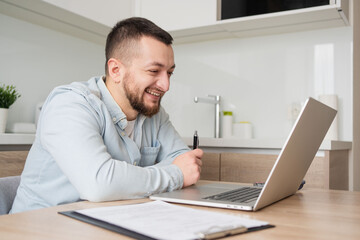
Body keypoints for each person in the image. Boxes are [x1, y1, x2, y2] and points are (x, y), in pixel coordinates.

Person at [10, 17, 203, 213]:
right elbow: (99, 184)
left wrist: (123, 180)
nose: (165, 85)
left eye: (169, 73)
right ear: (116, 70)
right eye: (154, 71)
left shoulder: (154, 114)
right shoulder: (70, 105)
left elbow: (186, 162)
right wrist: (175, 174)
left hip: (108, 222)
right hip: (38, 228)